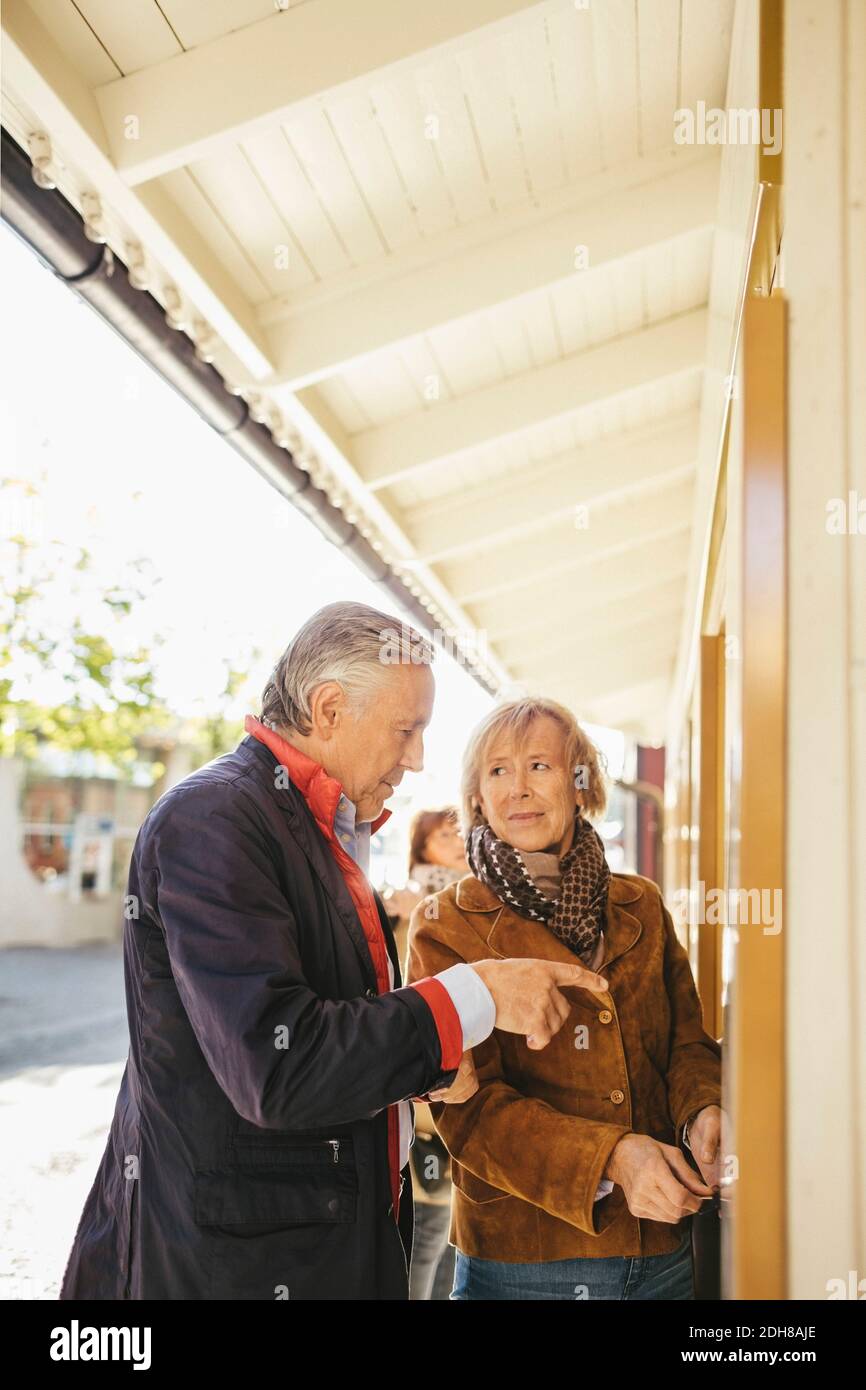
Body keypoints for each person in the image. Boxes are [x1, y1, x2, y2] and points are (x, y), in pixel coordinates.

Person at [59, 604, 607, 1301]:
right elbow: (277, 1066)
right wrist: (481, 994)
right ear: (326, 708)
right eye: (406, 731)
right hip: (230, 1269)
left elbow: (322, 1025)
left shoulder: (313, 827)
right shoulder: (216, 818)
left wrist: (420, 1071)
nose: (416, 759)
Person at [407, 696, 723, 1301]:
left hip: (664, 1252)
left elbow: (687, 1045)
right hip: (526, 1268)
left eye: (540, 767)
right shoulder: (443, 925)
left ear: (582, 784)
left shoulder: (643, 905)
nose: (518, 788)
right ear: (476, 796)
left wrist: (702, 1111)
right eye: (497, 770)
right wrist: (611, 1158)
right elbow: (469, 1113)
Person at [391, 808, 468, 1300]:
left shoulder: (479, 900)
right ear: (422, 848)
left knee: (448, 1238)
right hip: (423, 1102)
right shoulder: (404, 907)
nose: (457, 841)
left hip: (467, 1098)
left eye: (460, 831)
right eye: (444, 834)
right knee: (424, 1237)